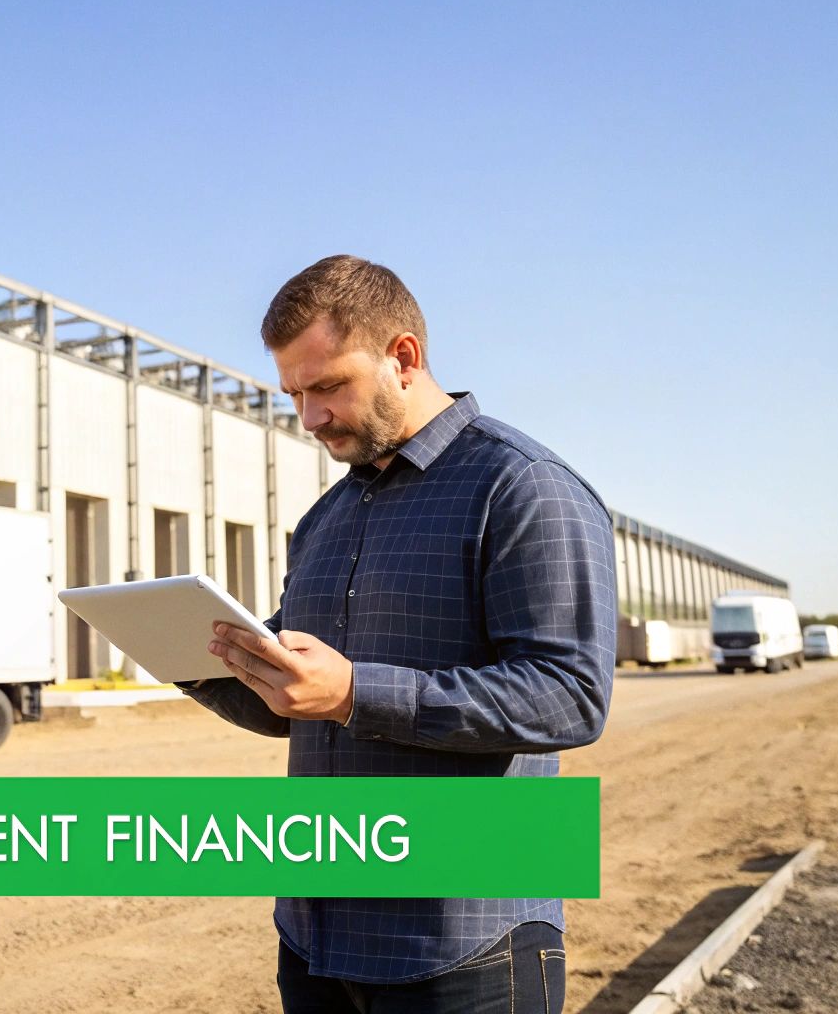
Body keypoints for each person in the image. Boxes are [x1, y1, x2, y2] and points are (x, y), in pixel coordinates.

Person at [182, 255, 616, 1013]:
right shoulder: (326, 518)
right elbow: (294, 702)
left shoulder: (523, 487)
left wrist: (356, 692)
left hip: (464, 943)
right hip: (317, 935)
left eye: (326, 387)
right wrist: (195, 657)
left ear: (403, 357)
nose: (309, 417)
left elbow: (571, 698)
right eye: (293, 394)